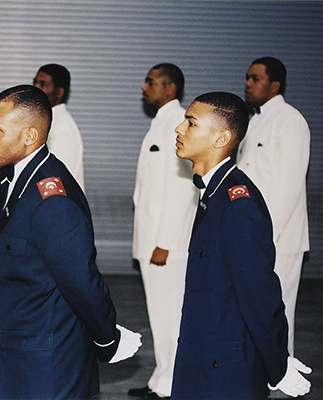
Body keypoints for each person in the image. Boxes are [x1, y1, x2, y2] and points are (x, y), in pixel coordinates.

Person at [0, 84, 142, 400]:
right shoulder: (16, 181)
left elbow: (81, 281)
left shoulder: (51, 199)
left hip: (48, 361)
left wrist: (107, 337)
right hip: (18, 348)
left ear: (29, 137)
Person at [171, 91, 311, 399]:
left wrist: (278, 364)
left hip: (225, 371)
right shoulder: (215, 194)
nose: (179, 129)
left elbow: (260, 294)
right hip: (204, 358)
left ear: (221, 138)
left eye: (191, 123)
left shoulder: (238, 204)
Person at [129, 64, 197, 400]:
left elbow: (184, 188)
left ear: (170, 89)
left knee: (170, 313)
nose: (144, 87)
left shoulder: (178, 124)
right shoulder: (160, 122)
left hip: (164, 243)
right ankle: (161, 377)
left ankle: (173, 382)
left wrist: (166, 243)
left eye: (151, 82)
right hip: (150, 238)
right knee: (159, 313)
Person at [237, 57, 310, 357]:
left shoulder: (290, 120)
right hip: (255, 232)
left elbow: (288, 185)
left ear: (275, 85)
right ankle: (262, 370)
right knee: (255, 306)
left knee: (278, 309)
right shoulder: (254, 121)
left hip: (278, 236)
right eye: (247, 78)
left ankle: (282, 371)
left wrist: (267, 234)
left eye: (255, 79)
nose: (248, 84)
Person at [33, 63, 85, 189]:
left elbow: (55, 180)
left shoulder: (62, 128)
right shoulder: (48, 122)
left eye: (43, 84)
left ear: (59, 92)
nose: (35, 88)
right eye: (35, 82)